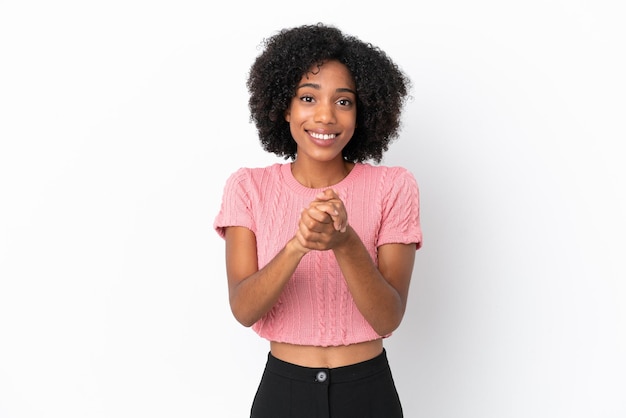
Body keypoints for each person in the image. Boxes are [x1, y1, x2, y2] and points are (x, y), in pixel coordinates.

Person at [214, 23, 422, 418]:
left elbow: (388, 315)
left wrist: (345, 243)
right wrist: (298, 245)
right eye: (308, 98)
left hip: (367, 392)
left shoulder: (393, 186)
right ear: (284, 107)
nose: (325, 116)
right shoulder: (248, 188)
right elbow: (244, 309)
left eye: (343, 102)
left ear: (362, 112)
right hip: (284, 393)